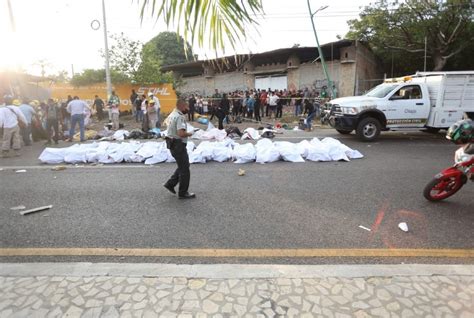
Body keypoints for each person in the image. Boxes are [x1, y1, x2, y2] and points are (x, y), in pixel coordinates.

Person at [163, 98, 195, 199]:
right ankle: (183, 193)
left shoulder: (171, 115)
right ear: (181, 106)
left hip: (172, 143)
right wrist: (190, 133)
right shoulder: (180, 117)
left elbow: (167, 126)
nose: (188, 108)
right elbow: (181, 133)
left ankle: (170, 184)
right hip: (178, 145)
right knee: (185, 169)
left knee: (183, 166)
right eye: (187, 106)